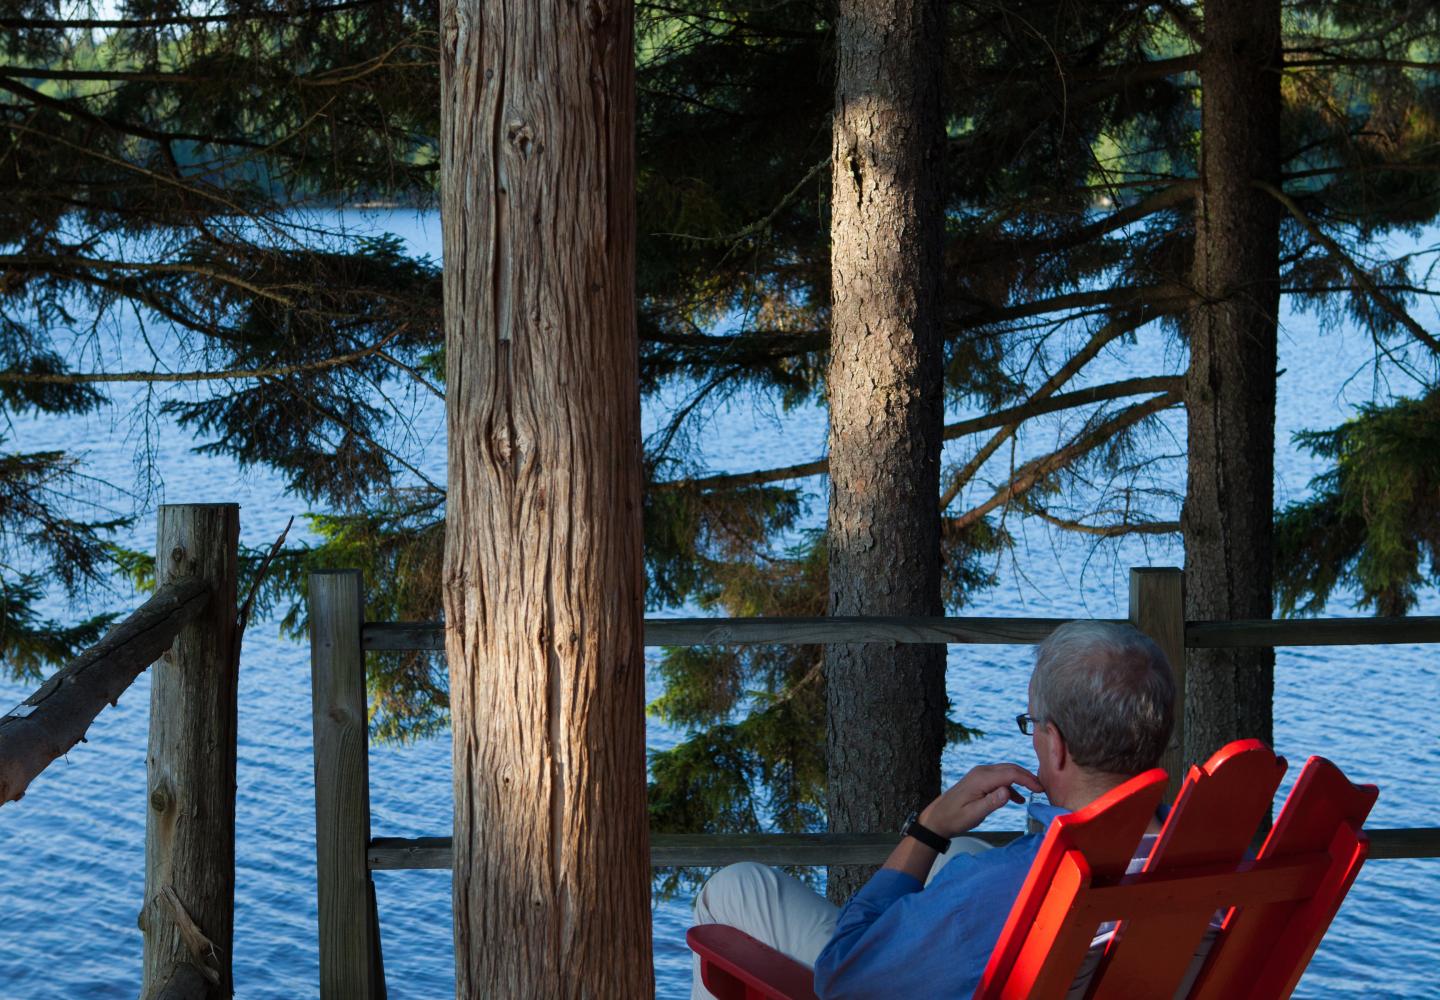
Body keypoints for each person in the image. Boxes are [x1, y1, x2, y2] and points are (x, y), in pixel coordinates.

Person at [690, 620, 1178, 999]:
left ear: (1058, 748)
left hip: (887, 965)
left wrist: (927, 830)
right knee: (961, 853)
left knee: (736, 888)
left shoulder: (1002, 886)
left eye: (1034, 724)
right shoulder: (1226, 863)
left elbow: (842, 974)